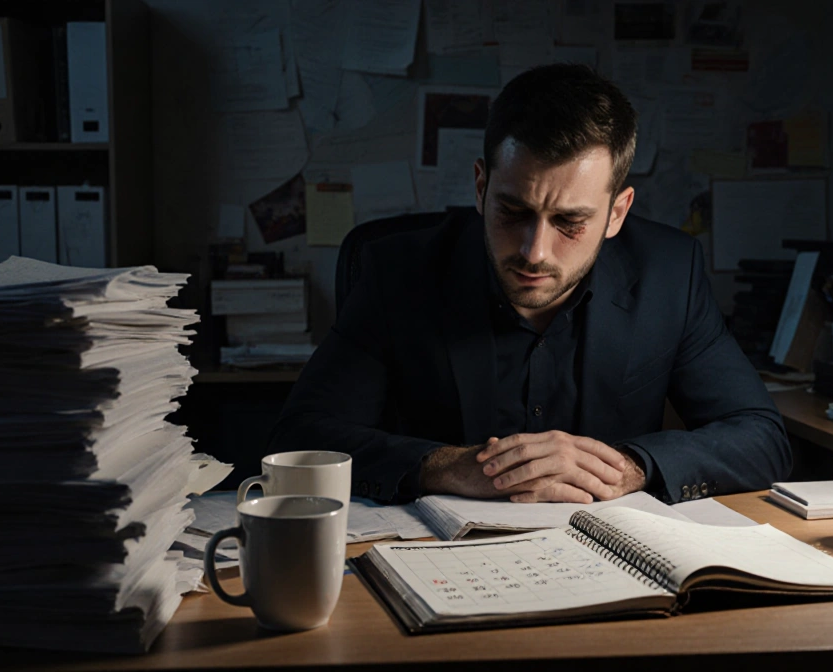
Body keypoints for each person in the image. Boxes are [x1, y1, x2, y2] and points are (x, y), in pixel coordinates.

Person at [269, 64, 791, 505]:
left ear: (617, 213)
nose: (534, 252)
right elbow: (301, 436)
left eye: (570, 222)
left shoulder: (669, 274)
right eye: (514, 211)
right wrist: (446, 466)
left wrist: (624, 467)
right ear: (481, 187)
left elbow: (761, 438)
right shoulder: (397, 271)